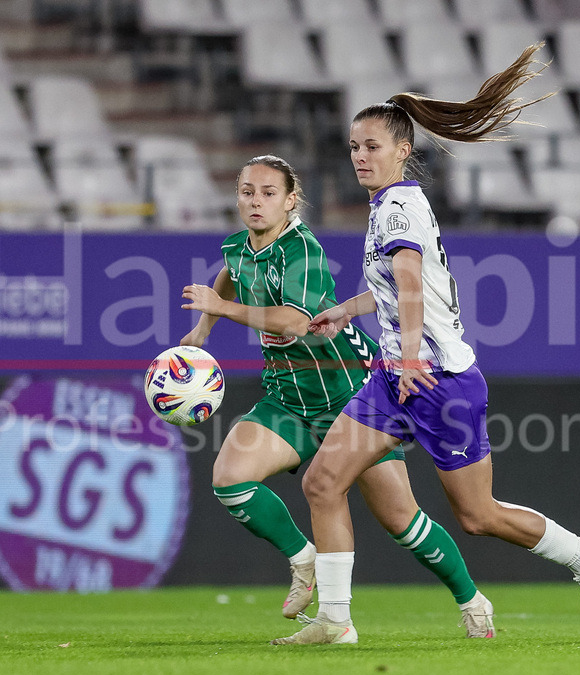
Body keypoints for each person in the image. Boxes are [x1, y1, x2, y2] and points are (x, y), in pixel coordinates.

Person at [272, 44, 580, 646]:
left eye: (371, 146)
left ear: (403, 150)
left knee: (478, 516)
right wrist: (344, 310)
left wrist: (406, 356)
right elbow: (398, 286)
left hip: (437, 380)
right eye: (354, 146)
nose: (359, 156)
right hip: (395, 375)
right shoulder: (387, 207)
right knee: (322, 481)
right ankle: (334, 620)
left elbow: (408, 282)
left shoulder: (400, 204)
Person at [180, 155, 495, 641]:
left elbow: (295, 321)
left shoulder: (301, 250)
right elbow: (230, 270)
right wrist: (203, 328)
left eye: (268, 193)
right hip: (287, 397)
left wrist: (218, 307)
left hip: (348, 395)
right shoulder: (240, 246)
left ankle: (472, 601)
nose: (255, 201)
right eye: (247, 192)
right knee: (229, 479)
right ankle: (306, 564)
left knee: (401, 521)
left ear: (290, 201)